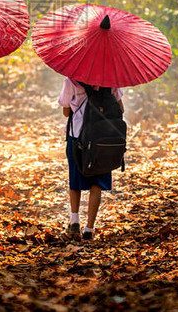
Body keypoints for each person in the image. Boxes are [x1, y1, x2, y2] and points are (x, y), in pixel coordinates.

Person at [58, 79, 124, 240]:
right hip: (103, 138)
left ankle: (74, 221)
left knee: (75, 178)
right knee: (97, 181)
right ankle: (89, 228)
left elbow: (66, 112)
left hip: (78, 137)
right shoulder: (111, 81)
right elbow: (120, 109)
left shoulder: (72, 81)